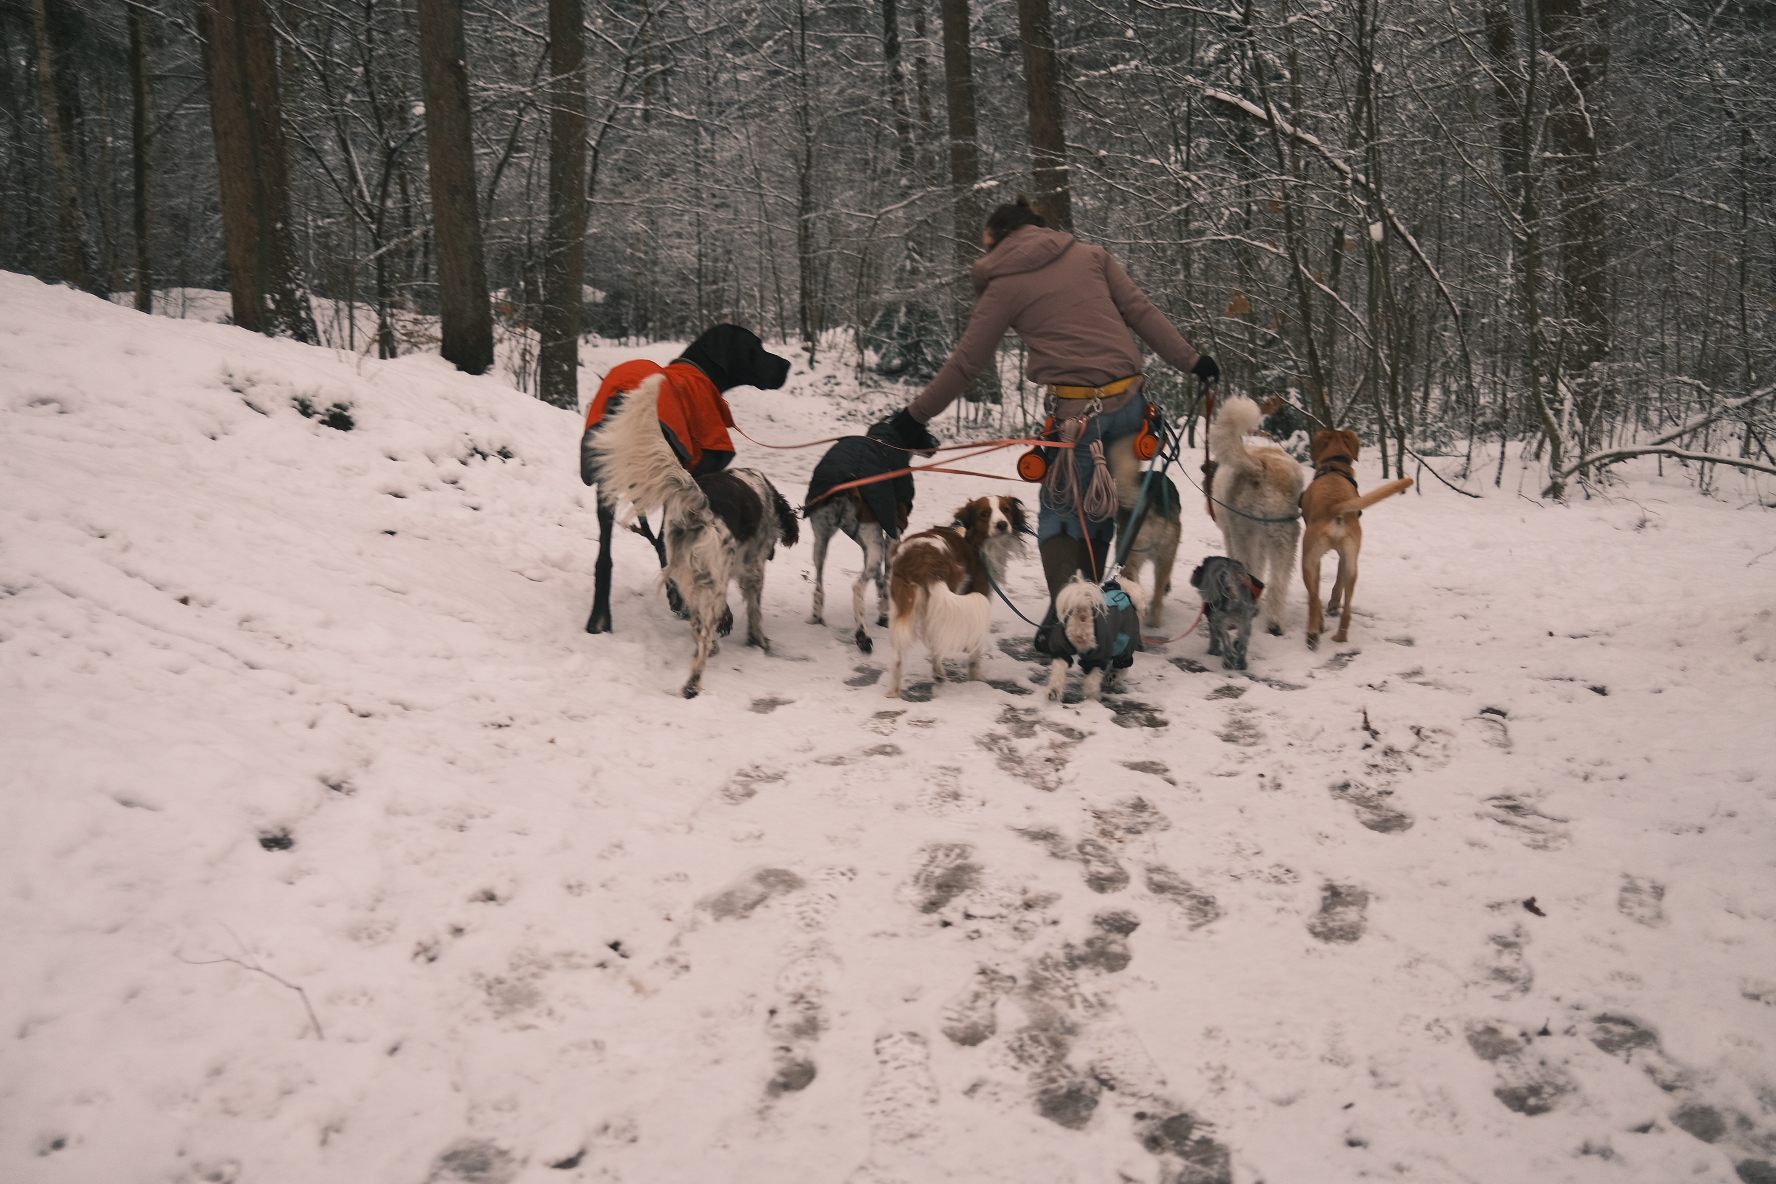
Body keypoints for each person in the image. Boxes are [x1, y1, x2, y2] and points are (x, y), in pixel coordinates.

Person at [886, 196, 1218, 653]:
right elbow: (1141, 311)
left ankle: (1071, 625)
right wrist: (1193, 361)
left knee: (1061, 514)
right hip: (1133, 408)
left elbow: (967, 363)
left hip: (1079, 416)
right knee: (1098, 509)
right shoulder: (1091, 255)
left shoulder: (1005, 284)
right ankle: (1077, 614)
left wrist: (912, 418)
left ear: (996, 240)